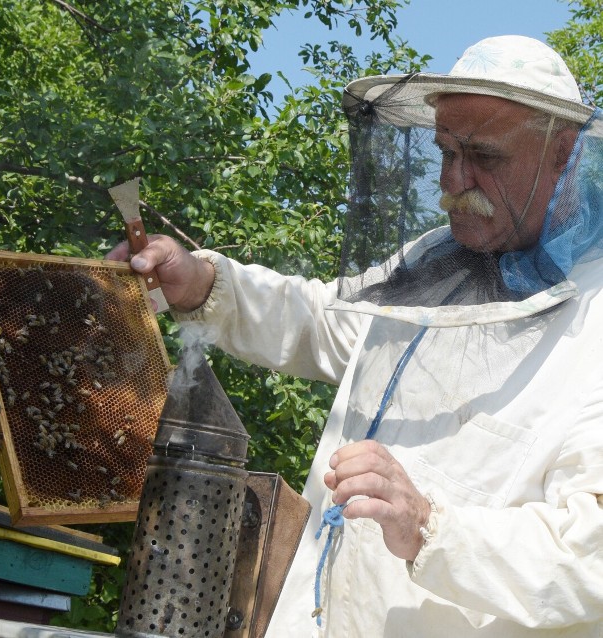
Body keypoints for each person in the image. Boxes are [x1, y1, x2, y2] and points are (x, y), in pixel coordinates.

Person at [108, 35, 603, 636]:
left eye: (485, 157)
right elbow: (323, 319)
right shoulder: (436, 257)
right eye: (446, 150)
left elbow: (590, 561)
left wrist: (428, 525)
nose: (453, 181)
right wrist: (204, 283)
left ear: (564, 153)